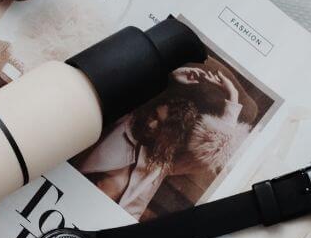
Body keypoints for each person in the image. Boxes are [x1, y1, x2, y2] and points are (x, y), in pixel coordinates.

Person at [74, 60, 253, 219]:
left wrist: (233, 96)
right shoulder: (126, 122)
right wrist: (172, 76)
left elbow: (214, 150)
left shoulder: (164, 164)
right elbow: (122, 84)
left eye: (161, 125)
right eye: (154, 115)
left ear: (174, 134)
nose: (151, 124)